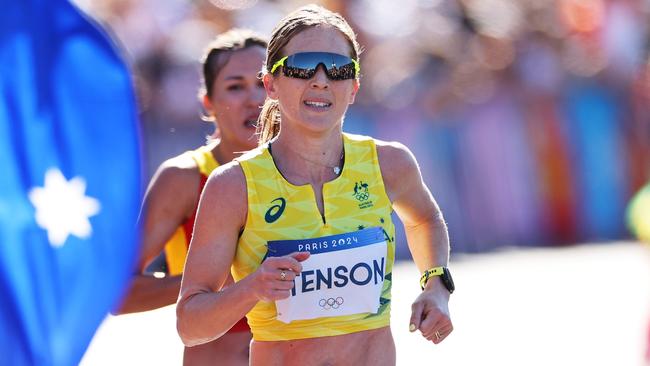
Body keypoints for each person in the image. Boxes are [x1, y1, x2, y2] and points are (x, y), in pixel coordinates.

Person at [176, 5, 453, 365]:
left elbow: (425, 219)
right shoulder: (234, 186)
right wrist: (252, 287)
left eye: (337, 69)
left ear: (353, 87)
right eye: (303, 67)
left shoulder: (389, 164)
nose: (321, 81)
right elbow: (190, 325)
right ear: (270, 84)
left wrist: (436, 286)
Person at [115, 28, 268, 366]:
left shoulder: (307, 170)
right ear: (208, 103)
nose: (253, 99)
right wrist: (206, 284)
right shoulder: (184, 178)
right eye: (235, 87)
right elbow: (117, 292)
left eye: (262, 83)